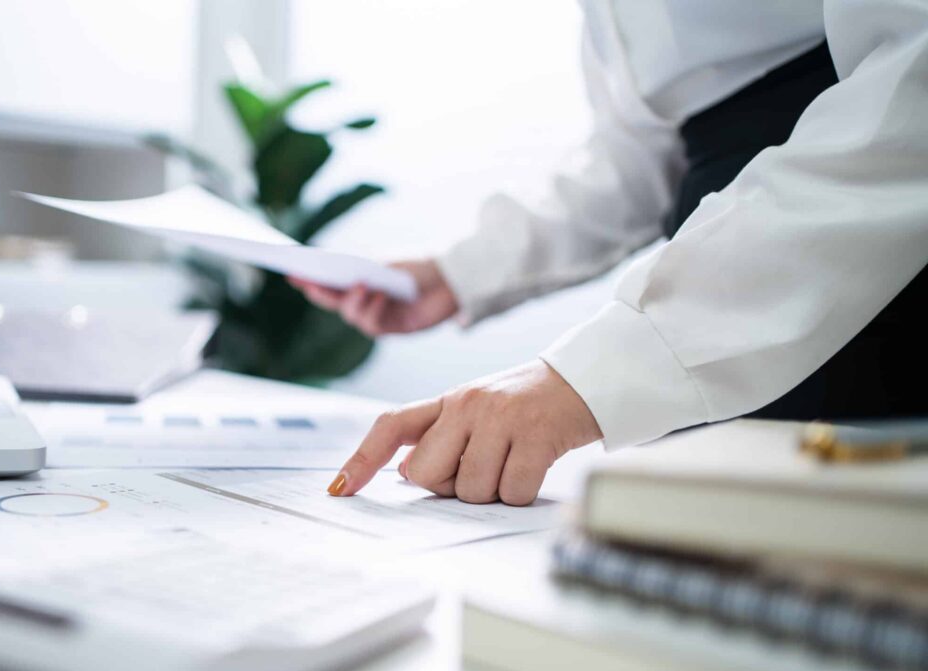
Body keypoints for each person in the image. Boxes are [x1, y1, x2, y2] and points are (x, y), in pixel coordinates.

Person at [290, 0, 928, 505]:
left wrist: (590, 376)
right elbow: (641, 153)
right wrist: (458, 273)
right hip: (725, 287)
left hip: (858, 280)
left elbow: (913, 87)